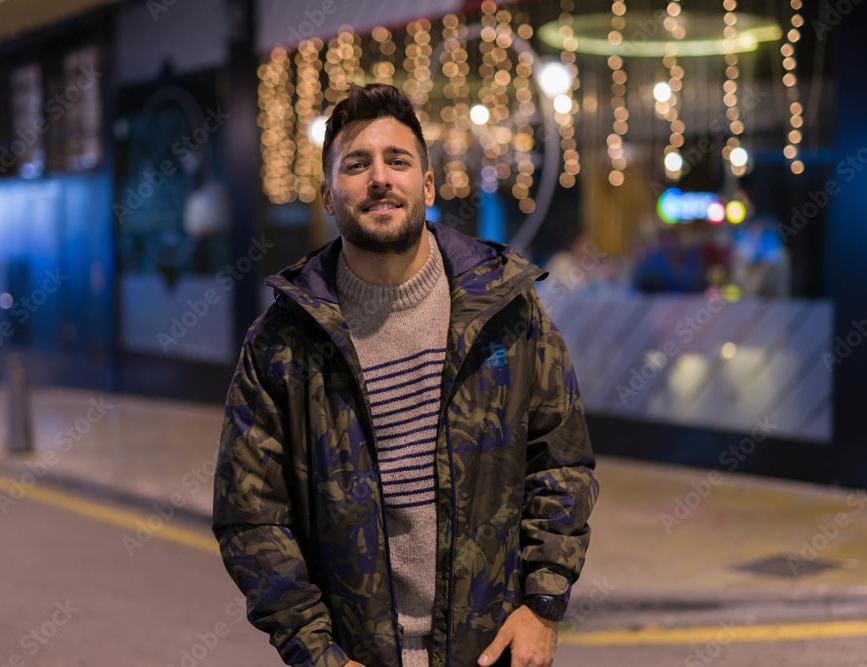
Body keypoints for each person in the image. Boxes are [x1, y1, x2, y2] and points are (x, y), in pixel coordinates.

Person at [212, 83, 598, 667]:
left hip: (491, 653)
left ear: (429, 185)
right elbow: (251, 517)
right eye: (356, 164)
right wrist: (318, 654)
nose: (379, 178)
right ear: (327, 195)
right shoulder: (281, 343)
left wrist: (543, 605)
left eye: (398, 161)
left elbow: (561, 462)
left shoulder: (504, 309)